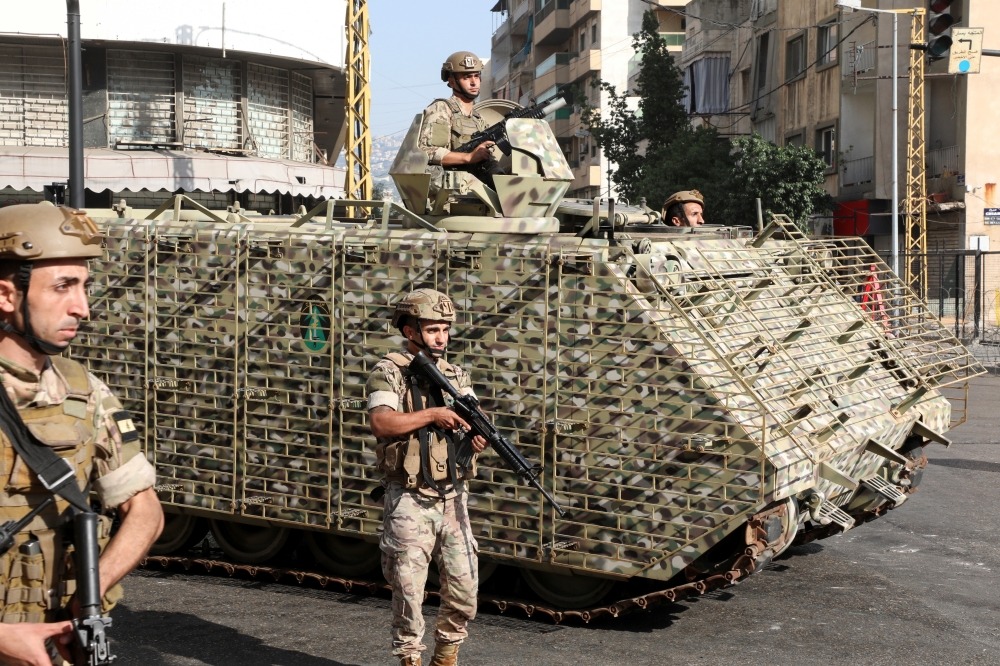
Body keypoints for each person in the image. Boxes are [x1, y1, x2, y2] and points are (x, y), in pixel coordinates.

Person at [0, 202, 163, 666]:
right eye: (63, 287)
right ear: (6, 295)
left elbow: (145, 510)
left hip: (56, 643)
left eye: (84, 287)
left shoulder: (84, 391)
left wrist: (89, 596)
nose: (82, 309)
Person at [366, 288, 488, 666]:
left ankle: (445, 658)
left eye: (445, 330)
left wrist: (478, 435)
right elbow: (382, 423)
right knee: (408, 591)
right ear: (410, 330)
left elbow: (477, 417)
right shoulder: (389, 371)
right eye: (433, 329)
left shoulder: (456, 375)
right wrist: (433, 415)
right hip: (410, 497)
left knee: (465, 590)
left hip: (453, 496)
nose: (441, 338)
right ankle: (410, 659)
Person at [417, 51, 495, 175]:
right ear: (452, 82)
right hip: (449, 183)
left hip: (475, 182)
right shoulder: (442, 109)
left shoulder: (479, 119)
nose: (473, 82)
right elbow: (426, 151)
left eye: (476, 76)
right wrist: (468, 157)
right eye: (466, 77)